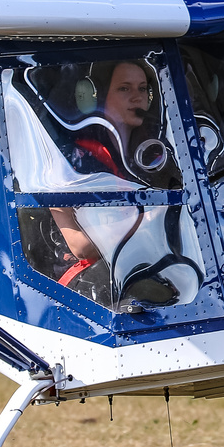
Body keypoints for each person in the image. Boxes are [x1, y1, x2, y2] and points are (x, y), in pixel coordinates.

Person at [54, 60, 155, 282]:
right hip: (88, 284)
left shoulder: (156, 154)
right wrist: (147, 219)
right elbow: (81, 245)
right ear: (96, 96)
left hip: (142, 266)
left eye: (142, 88)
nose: (137, 97)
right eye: (124, 88)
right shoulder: (74, 160)